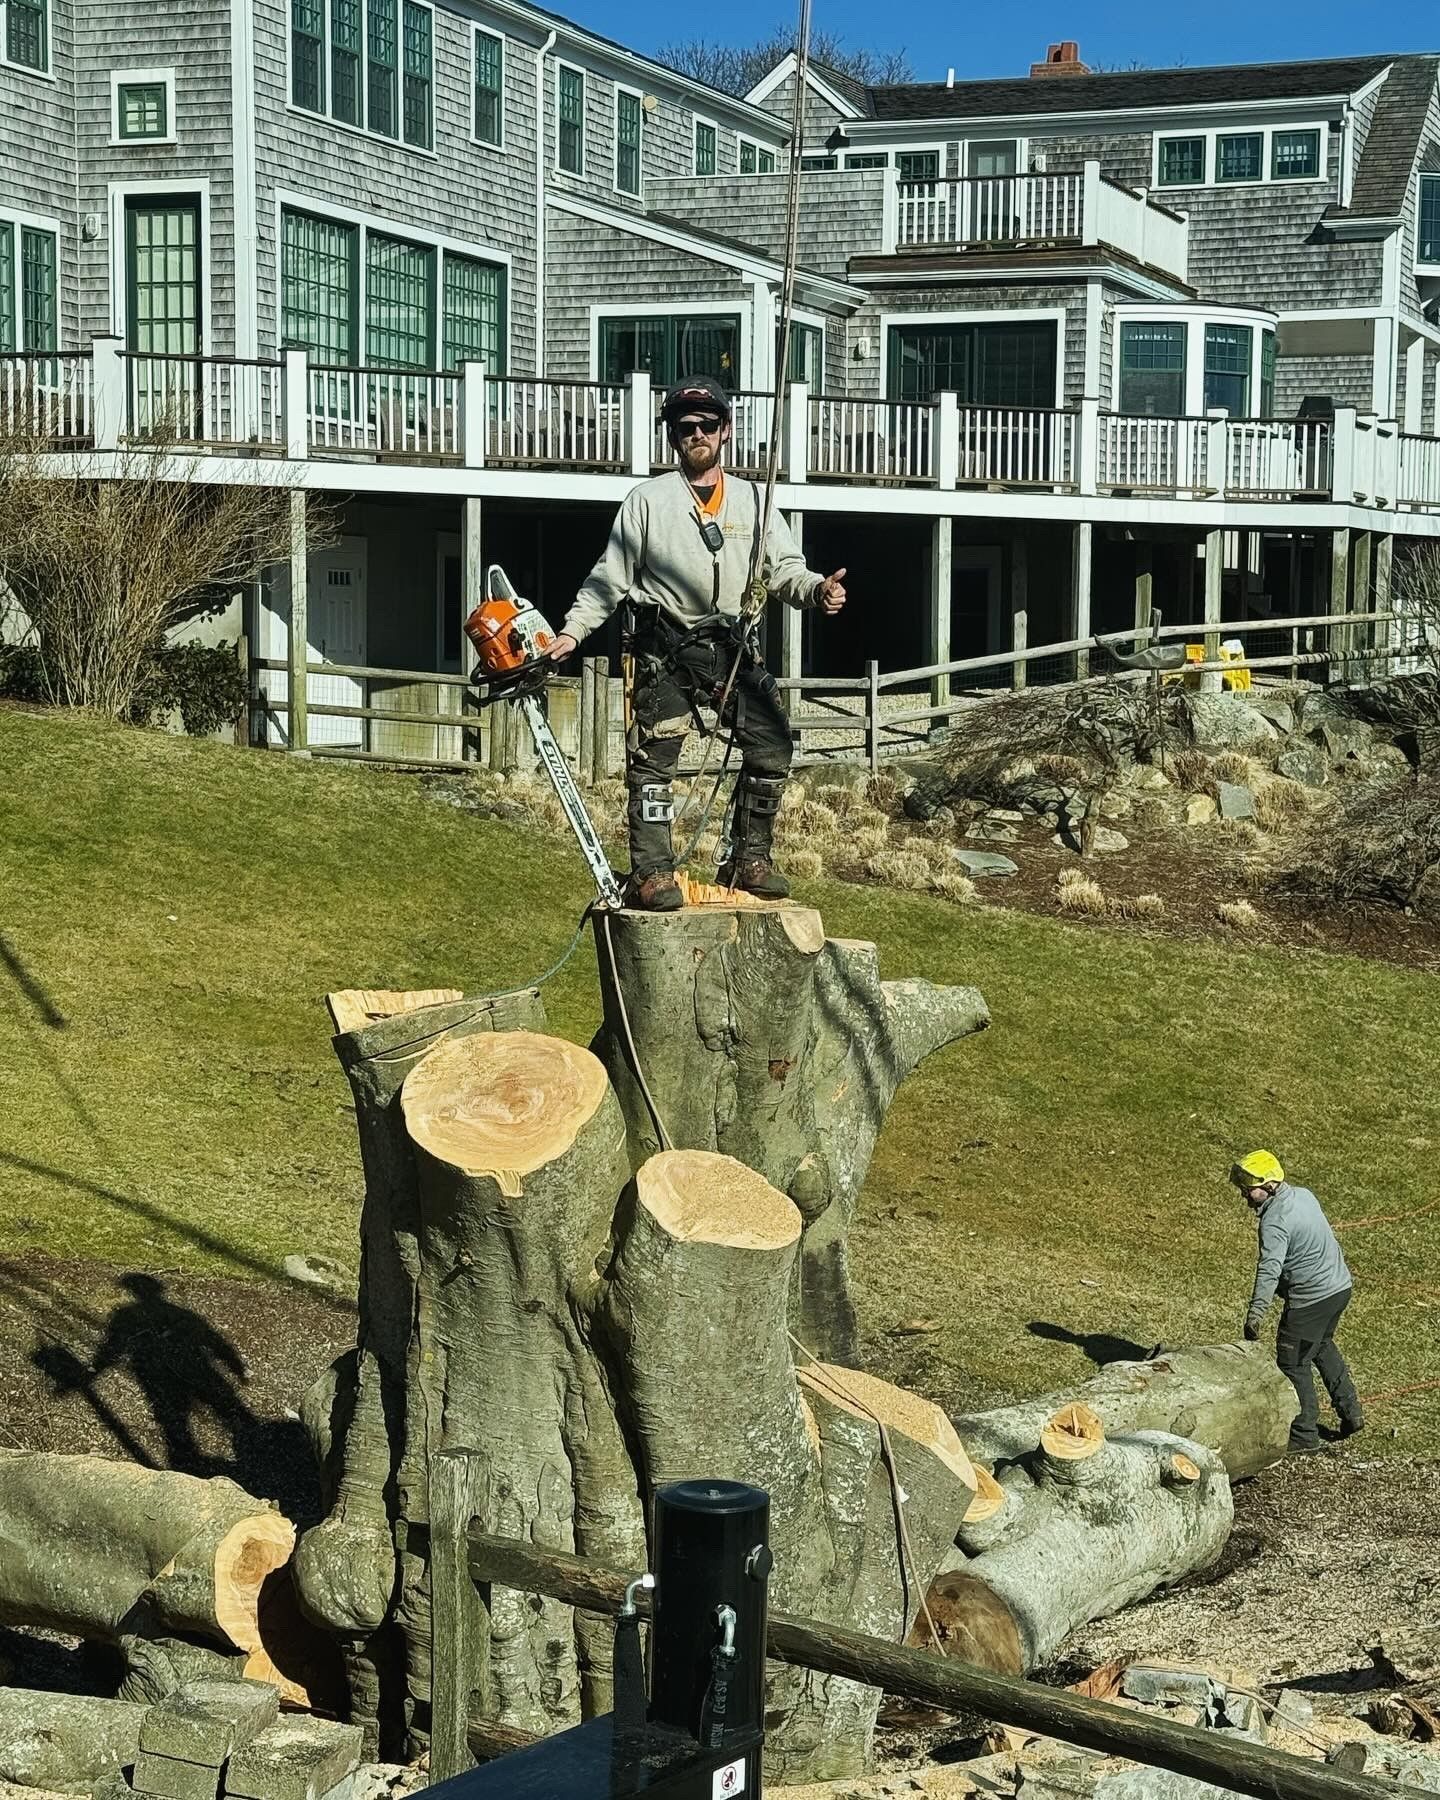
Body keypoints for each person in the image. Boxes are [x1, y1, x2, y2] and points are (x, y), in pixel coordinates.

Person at [547, 375, 847, 911]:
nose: (696, 434)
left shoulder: (756, 502)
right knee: (655, 759)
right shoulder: (647, 502)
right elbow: (608, 578)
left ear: (726, 431)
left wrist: (817, 591)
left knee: (773, 744)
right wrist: (572, 632)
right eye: (684, 427)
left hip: (730, 648)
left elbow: (786, 571)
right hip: (663, 648)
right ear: (672, 437)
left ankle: (748, 858)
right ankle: (653, 872)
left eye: (707, 424)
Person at [1231, 1150, 1365, 1454]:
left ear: (1269, 1185)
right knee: (1320, 1345)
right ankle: (1351, 1411)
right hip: (1339, 1288)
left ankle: (1304, 1434)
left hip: (1311, 1301)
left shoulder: (1274, 1221)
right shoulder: (1303, 1195)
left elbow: (1269, 1269)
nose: (1244, 1195)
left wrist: (1255, 1315)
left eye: (1248, 1188)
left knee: (1293, 1361)